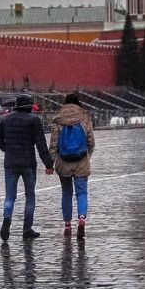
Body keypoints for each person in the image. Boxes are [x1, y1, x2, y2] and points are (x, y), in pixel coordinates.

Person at [0, 94, 54, 240]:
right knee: (30, 196)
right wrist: (48, 164)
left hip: (10, 163)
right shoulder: (34, 120)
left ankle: (7, 217)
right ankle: (27, 229)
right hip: (28, 163)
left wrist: (7, 149)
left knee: (10, 196)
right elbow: (41, 144)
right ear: (29, 106)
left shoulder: (5, 119)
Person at [47, 93, 95, 239]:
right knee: (82, 193)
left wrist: (51, 163)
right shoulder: (84, 116)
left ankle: (67, 225)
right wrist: (87, 156)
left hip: (64, 162)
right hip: (81, 160)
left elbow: (53, 145)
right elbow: (91, 141)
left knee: (66, 193)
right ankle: (81, 218)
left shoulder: (58, 118)